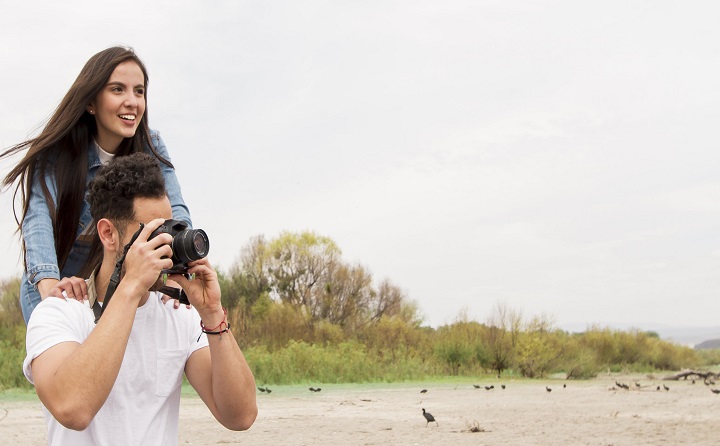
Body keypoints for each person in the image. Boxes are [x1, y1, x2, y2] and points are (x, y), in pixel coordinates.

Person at [23, 153, 257, 445]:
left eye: (170, 229)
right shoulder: (60, 312)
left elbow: (240, 416)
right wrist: (131, 286)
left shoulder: (178, 314)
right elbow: (73, 408)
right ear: (108, 234)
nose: (166, 245)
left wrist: (211, 315)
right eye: (152, 233)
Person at [0, 46, 191, 324]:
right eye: (117, 90)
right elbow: (37, 221)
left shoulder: (152, 144)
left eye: (139, 91)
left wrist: (178, 273)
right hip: (60, 276)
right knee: (64, 364)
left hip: (109, 278)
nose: (132, 101)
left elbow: (176, 212)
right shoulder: (57, 151)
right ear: (91, 102)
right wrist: (51, 287)